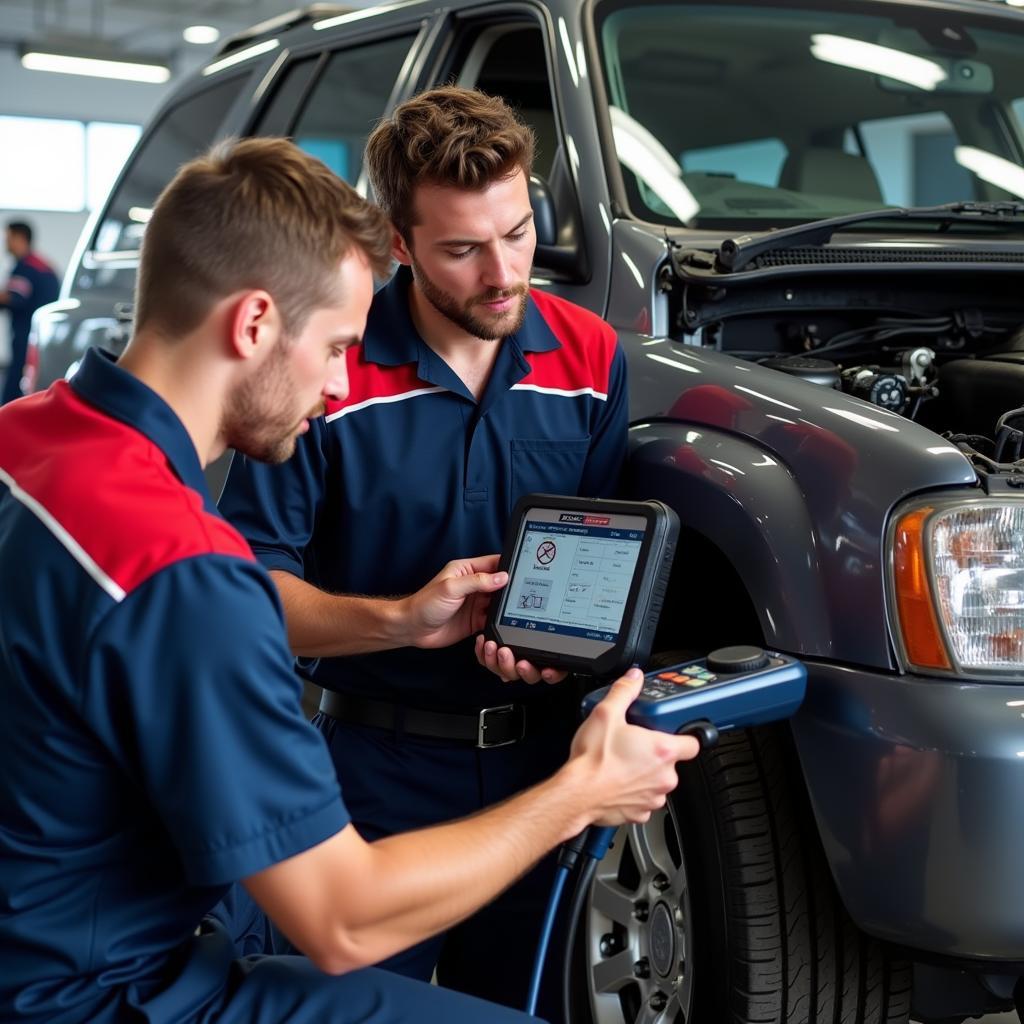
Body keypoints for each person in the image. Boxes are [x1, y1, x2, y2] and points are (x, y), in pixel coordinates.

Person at [0, 136, 698, 1024]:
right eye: (334, 347)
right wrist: (583, 792)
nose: (339, 384)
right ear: (254, 324)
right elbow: (342, 917)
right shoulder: (184, 571)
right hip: (108, 993)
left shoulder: (24, 436)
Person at [218, 86, 629, 1013]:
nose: (502, 274)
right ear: (398, 247)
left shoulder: (593, 358)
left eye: (518, 233)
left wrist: (577, 651)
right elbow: (247, 598)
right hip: (370, 775)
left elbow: (610, 557)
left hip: (543, 769)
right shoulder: (329, 369)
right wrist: (400, 622)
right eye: (461, 249)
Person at [0, 220, 59, 404]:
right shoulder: (40, 264)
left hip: (27, 333)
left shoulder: (27, 267)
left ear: (20, 238)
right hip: (39, 333)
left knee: (18, 379)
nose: (6, 243)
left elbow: (15, 299)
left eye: (8, 238)